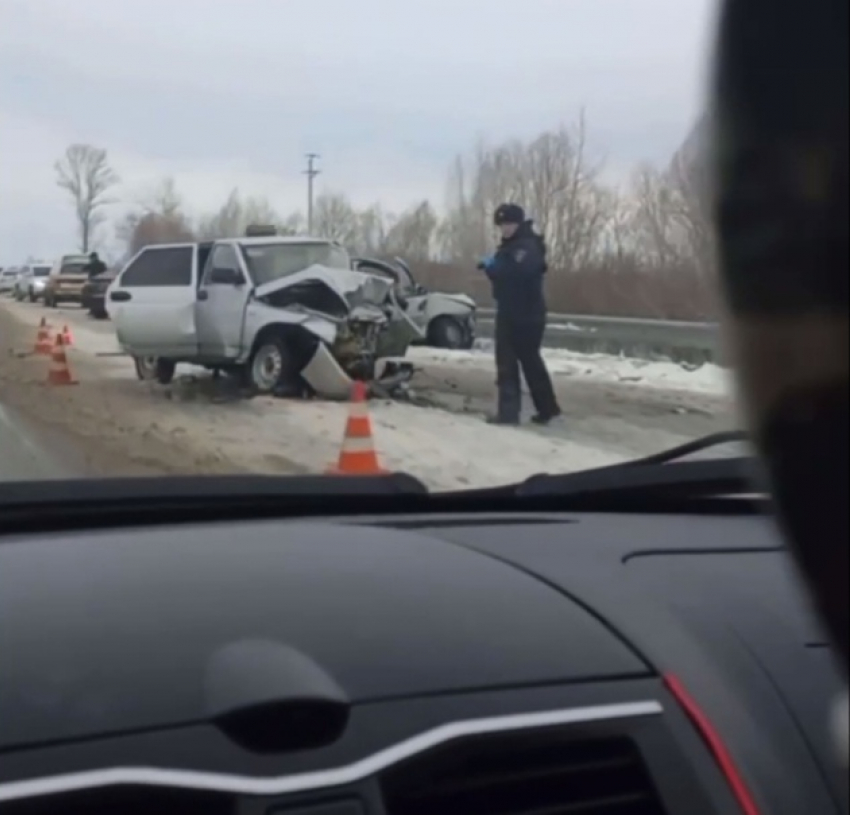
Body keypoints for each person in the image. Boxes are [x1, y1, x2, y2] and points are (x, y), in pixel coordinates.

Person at [478, 204, 561, 426]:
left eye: (508, 224)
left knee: (511, 363)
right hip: (516, 311)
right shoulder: (514, 246)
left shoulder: (526, 247)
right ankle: (546, 410)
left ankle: (511, 415)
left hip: (522, 314)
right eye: (502, 225)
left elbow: (513, 275)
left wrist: (492, 268)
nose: (505, 229)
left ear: (518, 223)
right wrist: (494, 266)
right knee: (527, 362)